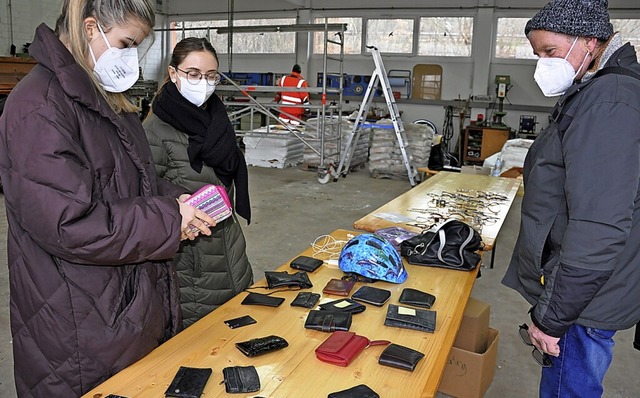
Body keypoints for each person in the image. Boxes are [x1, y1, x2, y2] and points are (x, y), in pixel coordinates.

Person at [0, 1, 216, 396]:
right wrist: (169, 219)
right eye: (127, 43)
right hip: (79, 323)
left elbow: (131, 183)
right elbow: (69, 224)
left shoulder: (104, 97)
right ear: (89, 29)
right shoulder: (39, 107)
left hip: (121, 305)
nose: (132, 58)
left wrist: (180, 201)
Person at [502, 0, 640, 397]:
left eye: (550, 51)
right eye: (536, 54)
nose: (542, 64)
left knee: (569, 388)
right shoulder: (599, 91)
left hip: (585, 296)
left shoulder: (608, 101)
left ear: (589, 41)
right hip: (588, 287)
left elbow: (598, 224)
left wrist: (552, 317)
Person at [144, 37, 254, 327]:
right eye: (193, 74)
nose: (202, 83)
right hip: (192, 270)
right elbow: (145, 201)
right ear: (173, 74)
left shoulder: (216, 118)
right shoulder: (154, 132)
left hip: (230, 252)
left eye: (210, 76)